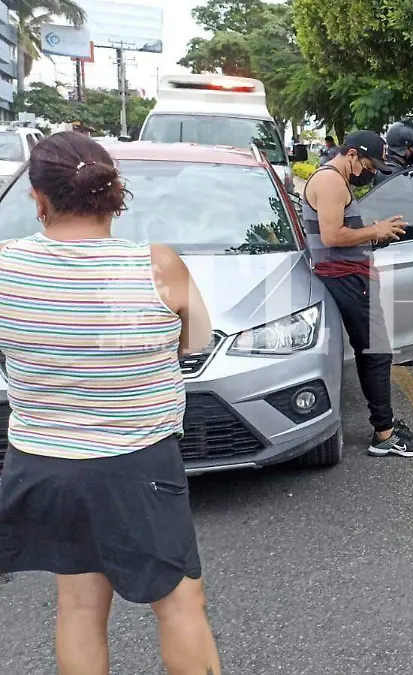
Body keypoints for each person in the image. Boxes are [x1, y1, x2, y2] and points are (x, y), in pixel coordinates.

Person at [0, 132, 221, 674]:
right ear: (111, 192)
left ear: (38, 196)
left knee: (78, 605)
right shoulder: (158, 266)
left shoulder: (4, 267)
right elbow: (196, 341)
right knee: (179, 603)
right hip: (136, 461)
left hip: (42, 463)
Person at [302, 129, 413, 457]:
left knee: (370, 351)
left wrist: (374, 234)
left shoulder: (336, 180)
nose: (370, 172)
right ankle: (385, 434)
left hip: (350, 276)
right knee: (376, 352)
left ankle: (384, 426)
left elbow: (342, 230)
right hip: (346, 278)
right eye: (369, 165)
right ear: (352, 155)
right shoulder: (331, 181)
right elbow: (332, 235)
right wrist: (375, 230)